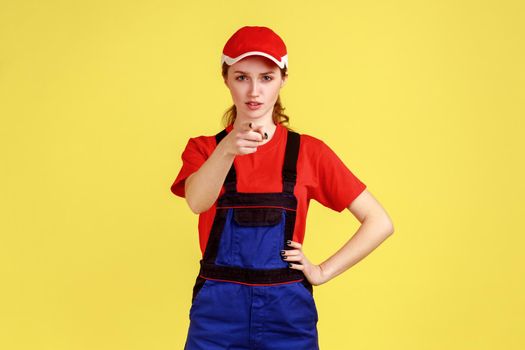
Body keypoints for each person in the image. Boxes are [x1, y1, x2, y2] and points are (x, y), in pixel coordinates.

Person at [171, 25, 394, 350]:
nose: (254, 92)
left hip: (287, 313)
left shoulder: (309, 152)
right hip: (217, 315)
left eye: (266, 77)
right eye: (242, 77)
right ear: (226, 79)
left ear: (283, 79)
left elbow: (380, 222)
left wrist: (321, 271)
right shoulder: (205, 149)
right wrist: (228, 148)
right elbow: (197, 201)